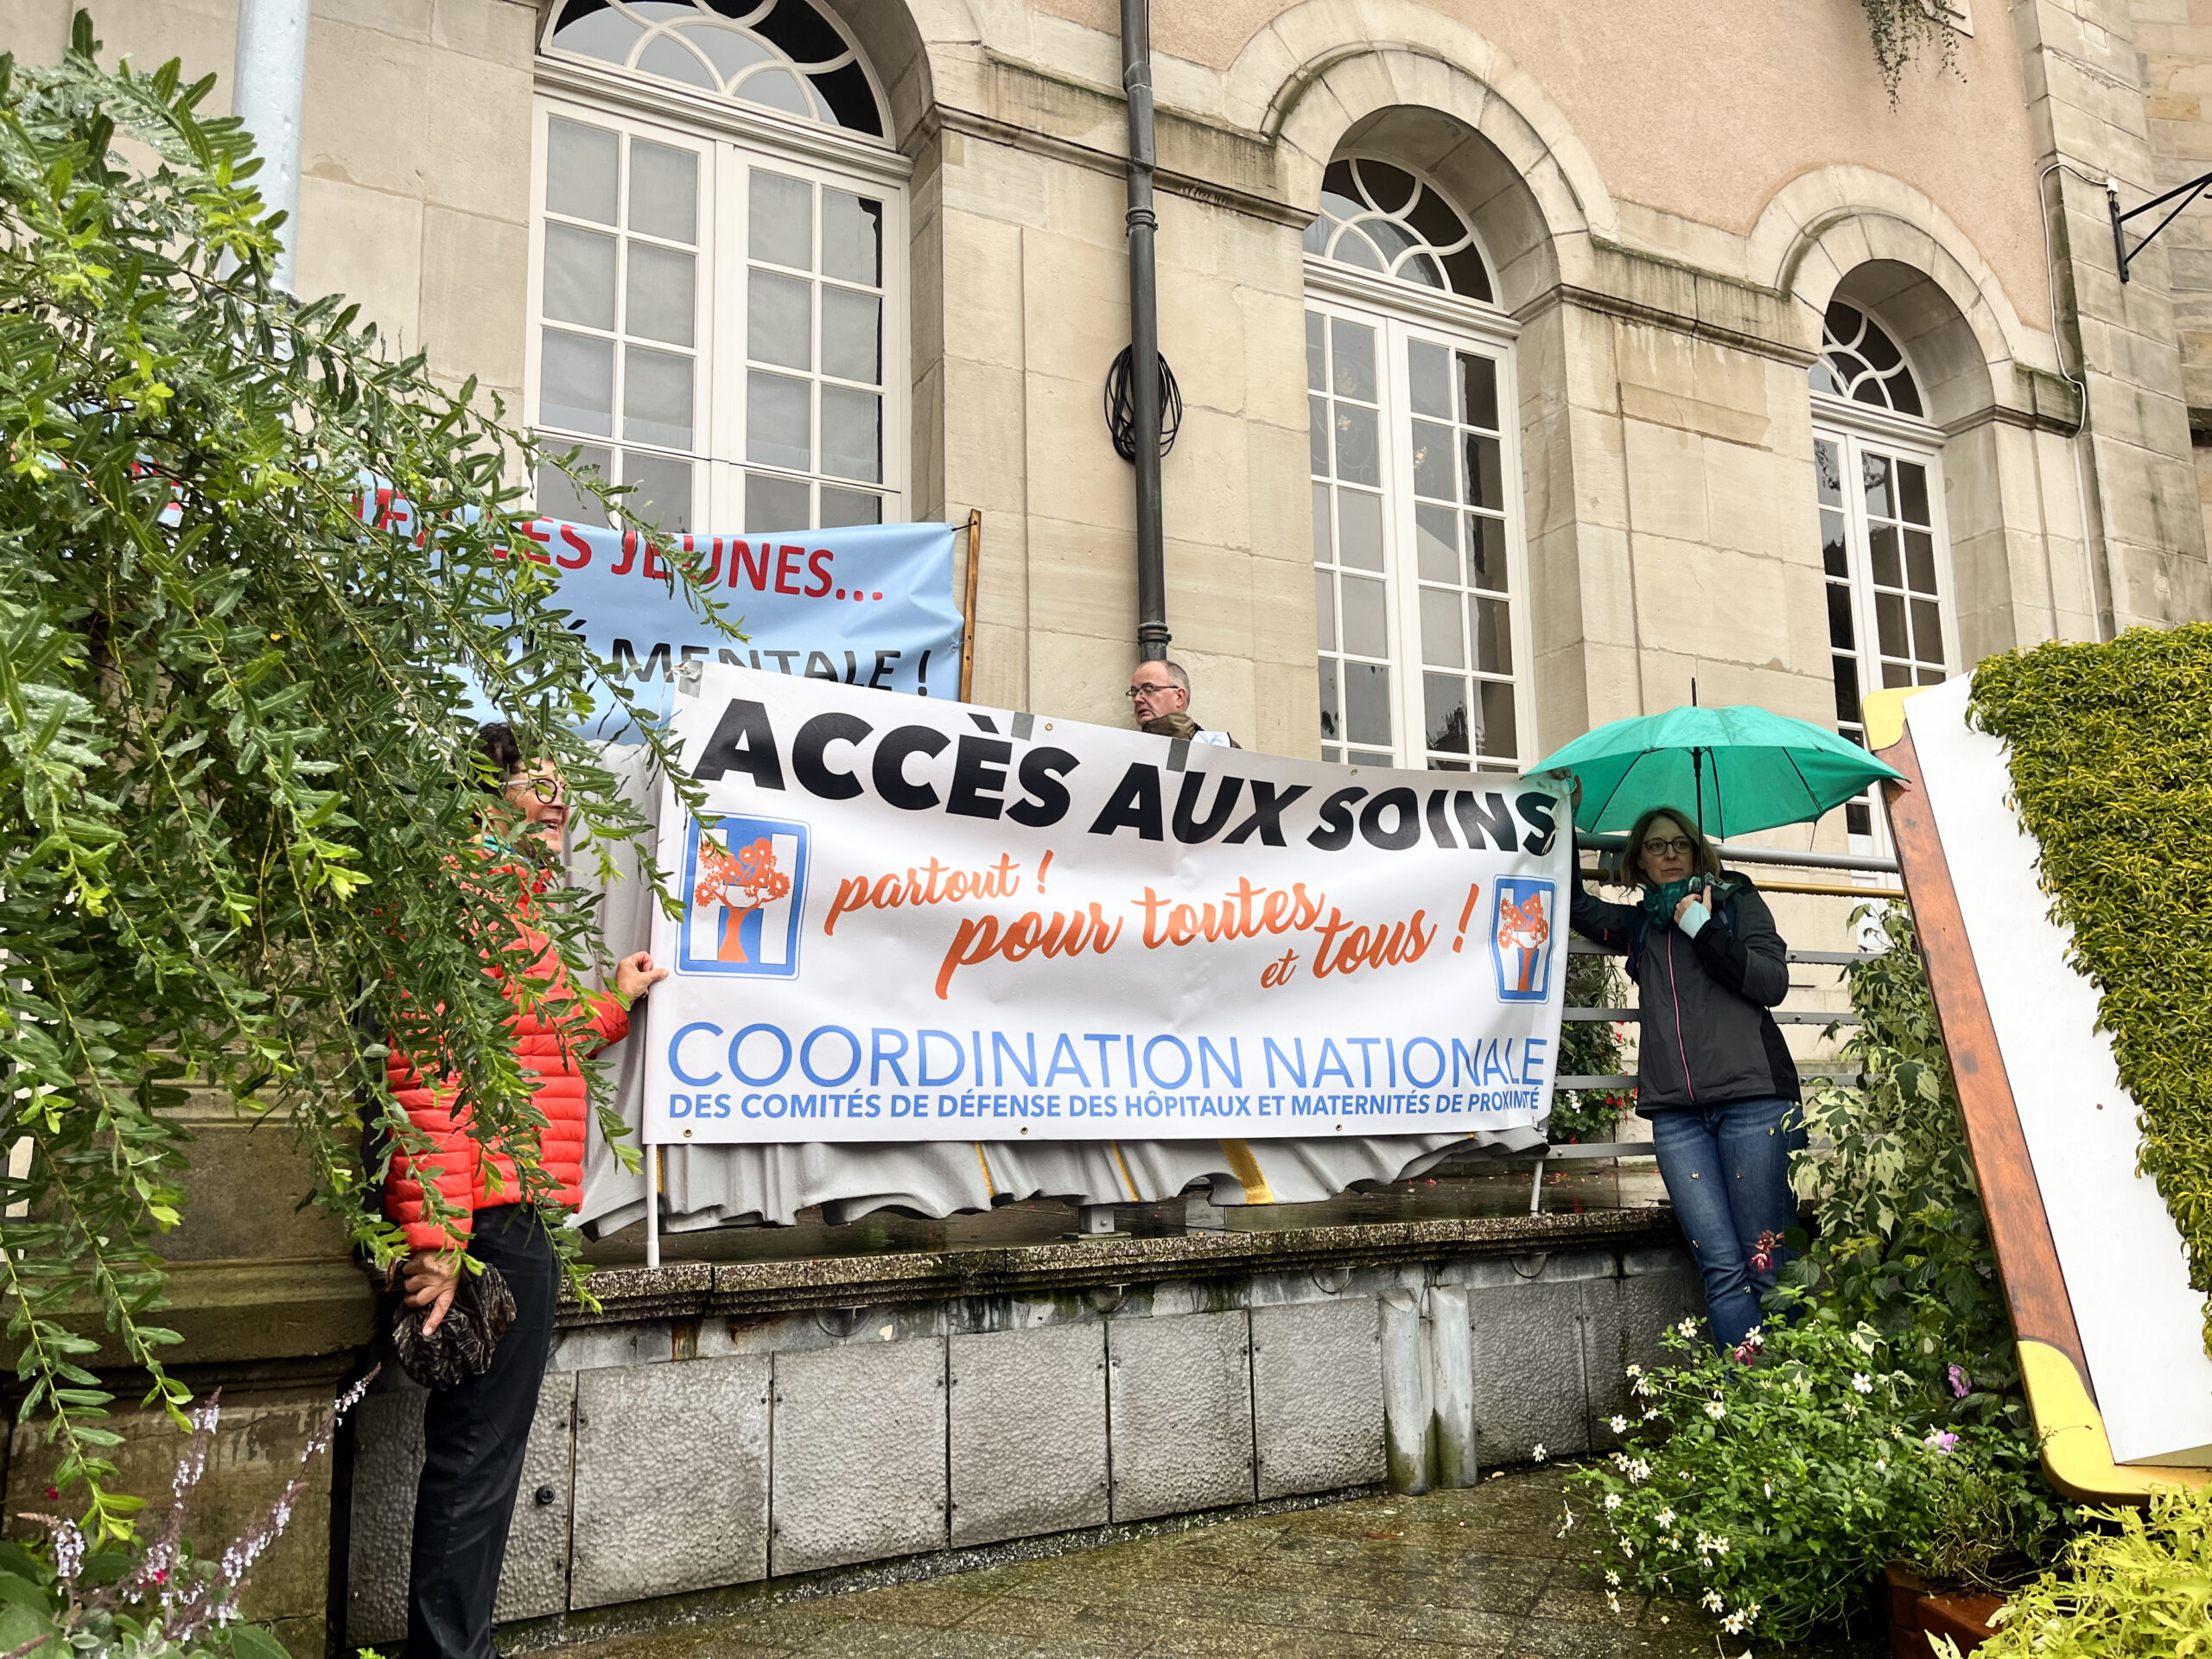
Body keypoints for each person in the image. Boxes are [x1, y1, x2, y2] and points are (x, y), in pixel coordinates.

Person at [388, 723, 666, 1659]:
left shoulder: (505, 902)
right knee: (477, 1453)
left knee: (485, 1452)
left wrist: (613, 1001)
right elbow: (425, 1071)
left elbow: (530, 1044)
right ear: (482, 797)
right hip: (488, 1219)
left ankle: (456, 1645)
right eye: (534, 788)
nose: (555, 804)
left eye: (561, 794)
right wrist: (437, 1236)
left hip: (511, 1208)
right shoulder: (461, 899)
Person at [1566, 798, 1802, 1354]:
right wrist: (1561, 818)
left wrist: (1702, 927)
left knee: (1767, 1264)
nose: (1670, 854)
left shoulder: (1736, 901)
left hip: (1754, 1103)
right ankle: (1747, 1396)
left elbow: (1771, 983)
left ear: (1699, 852)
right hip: (1678, 1117)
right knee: (1720, 1269)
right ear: (1639, 861)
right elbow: (1576, 906)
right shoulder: (1640, 925)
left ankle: (1791, 1397)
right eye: (1656, 845)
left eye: (1681, 844)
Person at [1128, 658, 1237, 747]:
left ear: (1179, 697)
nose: (1137, 699)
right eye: (1134, 692)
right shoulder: (1126, 751)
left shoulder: (1220, 748)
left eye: (1148, 689)